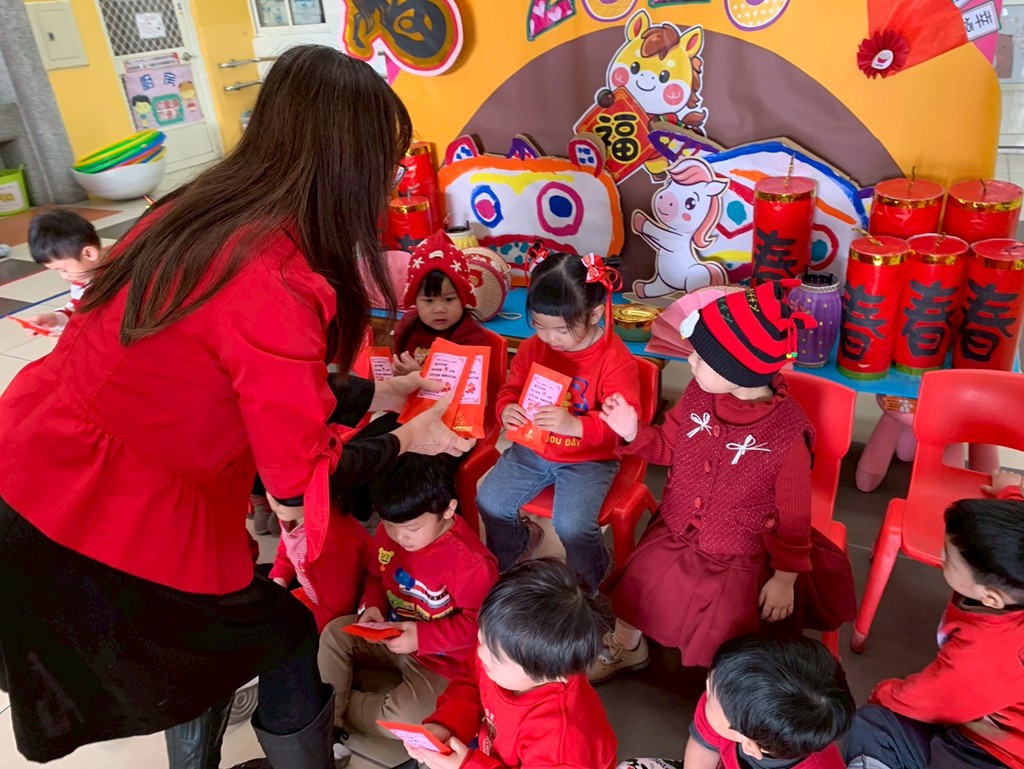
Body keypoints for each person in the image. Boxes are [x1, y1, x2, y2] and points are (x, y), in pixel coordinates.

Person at [0, 45, 473, 769]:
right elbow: (297, 478)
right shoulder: (275, 276)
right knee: (277, 636)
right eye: (386, 163)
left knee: (205, 652)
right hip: (103, 512)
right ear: (348, 164)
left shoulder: (196, 211)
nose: (389, 183)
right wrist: (410, 438)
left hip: (33, 454)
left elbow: (237, 380)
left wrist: (378, 392)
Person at [593, 280, 841, 680]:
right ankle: (628, 646)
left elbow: (795, 515)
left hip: (740, 553)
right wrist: (632, 431)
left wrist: (785, 578)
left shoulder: (787, 435)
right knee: (640, 583)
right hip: (677, 530)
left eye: (701, 357)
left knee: (725, 625)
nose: (690, 361)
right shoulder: (698, 394)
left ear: (738, 371)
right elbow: (669, 446)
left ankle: (723, 686)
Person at [475, 249, 640, 592]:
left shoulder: (615, 360)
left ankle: (588, 579)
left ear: (595, 314)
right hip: (532, 449)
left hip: (589, 459)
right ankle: (515, 550)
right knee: (489, 500)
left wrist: (576, 425)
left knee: (572, 526)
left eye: (561, 329)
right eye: (539, 325)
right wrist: (506, 408)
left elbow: (622, 430)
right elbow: (511, 389)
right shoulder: (532, 348)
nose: (550, 338)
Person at [317, 453, 499, 762]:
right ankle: (327, 722)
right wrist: (372, 607)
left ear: (448, 509)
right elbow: (375, 576)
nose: (399, 536)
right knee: (335, 633)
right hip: (391, 632)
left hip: (444, 663)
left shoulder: (473, 565)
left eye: (412, 528)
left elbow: (480, 627)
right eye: (389, 524)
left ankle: (329, 706)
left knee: (412, 720)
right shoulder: (388, 534)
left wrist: (421, 638)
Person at [843, 472, 1024, 769]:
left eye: (949, 559)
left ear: (991, 598)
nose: (941, 556)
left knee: (873, 724)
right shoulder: (1013, 583)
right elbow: (1016, 532)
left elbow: (926, 698)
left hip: (990, 755)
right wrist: (1010, 495)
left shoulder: (981, 656)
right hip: (992, 718)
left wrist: (883, 692)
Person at [405, 558, 618, 769]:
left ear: (549, 673)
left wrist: (468, 766)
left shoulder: (563, 743)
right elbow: (471, 682)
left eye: (495, 657)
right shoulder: (502, 656)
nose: (480, 654)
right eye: (481, 639)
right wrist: (446, 725)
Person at [680, 634, 854, 769]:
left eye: (711, 696)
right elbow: (704, 745)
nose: (708, 686)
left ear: (750, 746)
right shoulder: (730, 698)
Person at [391, 231, 491, 375]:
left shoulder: (470, 337)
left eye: (449, 299)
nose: (439, 309)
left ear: (463, 298)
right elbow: (397, 360)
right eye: (429, 300)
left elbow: (471, 384)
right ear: (415, 301)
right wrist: (397, 371)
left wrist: (420, 376)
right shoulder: (407, 325)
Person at [269, 499, 373, 632]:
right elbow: (288, 550)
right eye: (270, 490)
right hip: (315, 593)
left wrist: (308, 632)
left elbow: (338, 607)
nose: (273, 501)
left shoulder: (335, 543)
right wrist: (279, 582)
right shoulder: (291, 515)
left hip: (338, 612)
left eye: (285, 497)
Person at [21, 207, 103, 335]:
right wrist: (54, 319)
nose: (64, 276)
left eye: (64, 270)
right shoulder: (80, 283)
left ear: (89, 254)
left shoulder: (124, 275)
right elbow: (77, 311)